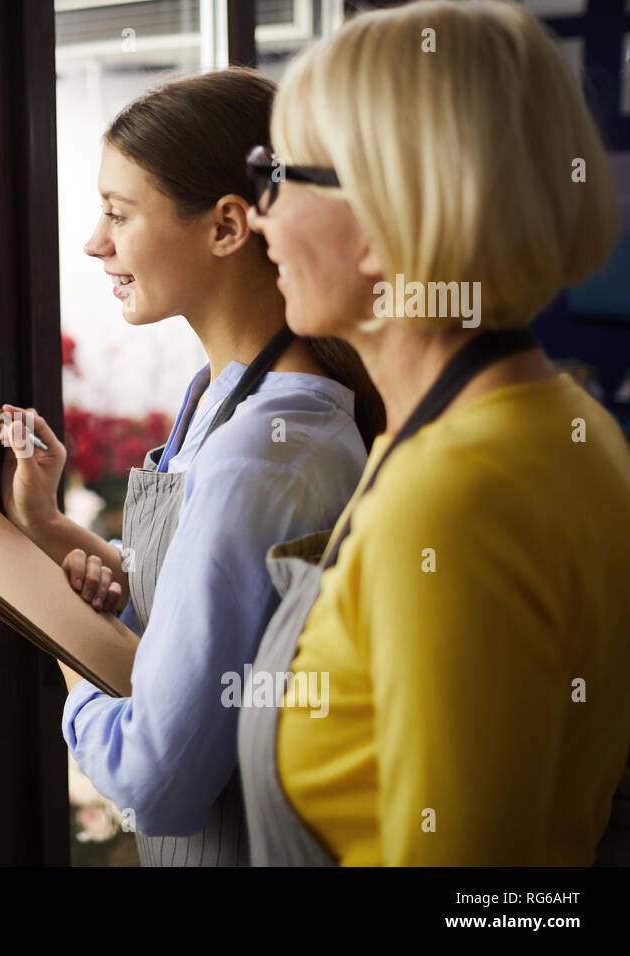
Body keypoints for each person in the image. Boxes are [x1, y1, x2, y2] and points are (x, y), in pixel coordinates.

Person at [239, 0, 630, 865]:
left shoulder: (452, 498)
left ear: (379, 221)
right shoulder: (568, 423)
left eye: (279, 177)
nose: (259, 215)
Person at [0, 67, 381, 866]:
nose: (94, 241)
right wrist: (48, 523)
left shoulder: (262, 452)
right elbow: (197, 612)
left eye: (117, 213)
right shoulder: (222, 396)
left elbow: (154, 779)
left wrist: (66, 634)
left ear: (227, 226)